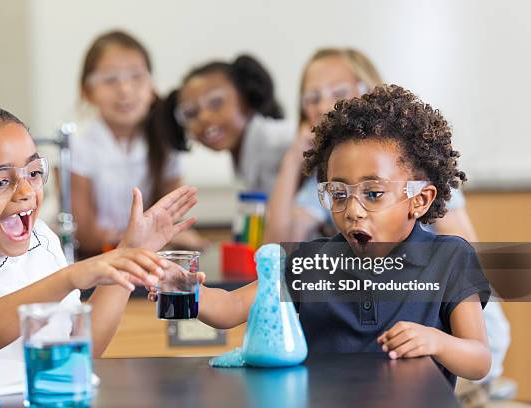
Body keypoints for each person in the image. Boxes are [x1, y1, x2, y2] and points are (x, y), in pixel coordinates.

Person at [155, 85, 492, 385]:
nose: (353, 210)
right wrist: (183, 286)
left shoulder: (450, 260)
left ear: (419, 200)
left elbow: (478, 359)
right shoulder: (309, 263)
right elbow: (229, 308)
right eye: (339, 194)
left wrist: (438, 341)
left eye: (373, 193)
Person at [0, 101, 197, 363]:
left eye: (33, 173)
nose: (27, 192)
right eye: (1, 181)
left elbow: (81, 351)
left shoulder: (42, 240)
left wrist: (129, 255)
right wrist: (69, 277)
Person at [264, 48, 477, 243]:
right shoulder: (332, 177)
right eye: (312, 98)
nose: (323, 106)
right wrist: (292, 160)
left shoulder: (413, 162)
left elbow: (465, 254)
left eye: (338, 93)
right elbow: (279, 250)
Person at [71, 30, 204, 256]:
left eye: (136, 76)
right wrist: (145, 238)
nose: (125, 90)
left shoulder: (166, 140)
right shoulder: (77, 143)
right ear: (87, 92)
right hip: (93, 259)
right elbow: (86, 235)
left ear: (151, 86)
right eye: (110, 80)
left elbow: (172, 220)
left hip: (143, 259)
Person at [169, 54, 295, 194]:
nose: (204, 117)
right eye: (191, 113)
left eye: (215, 102)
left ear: (245, 97)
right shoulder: (242, 155)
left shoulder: (279, 141)